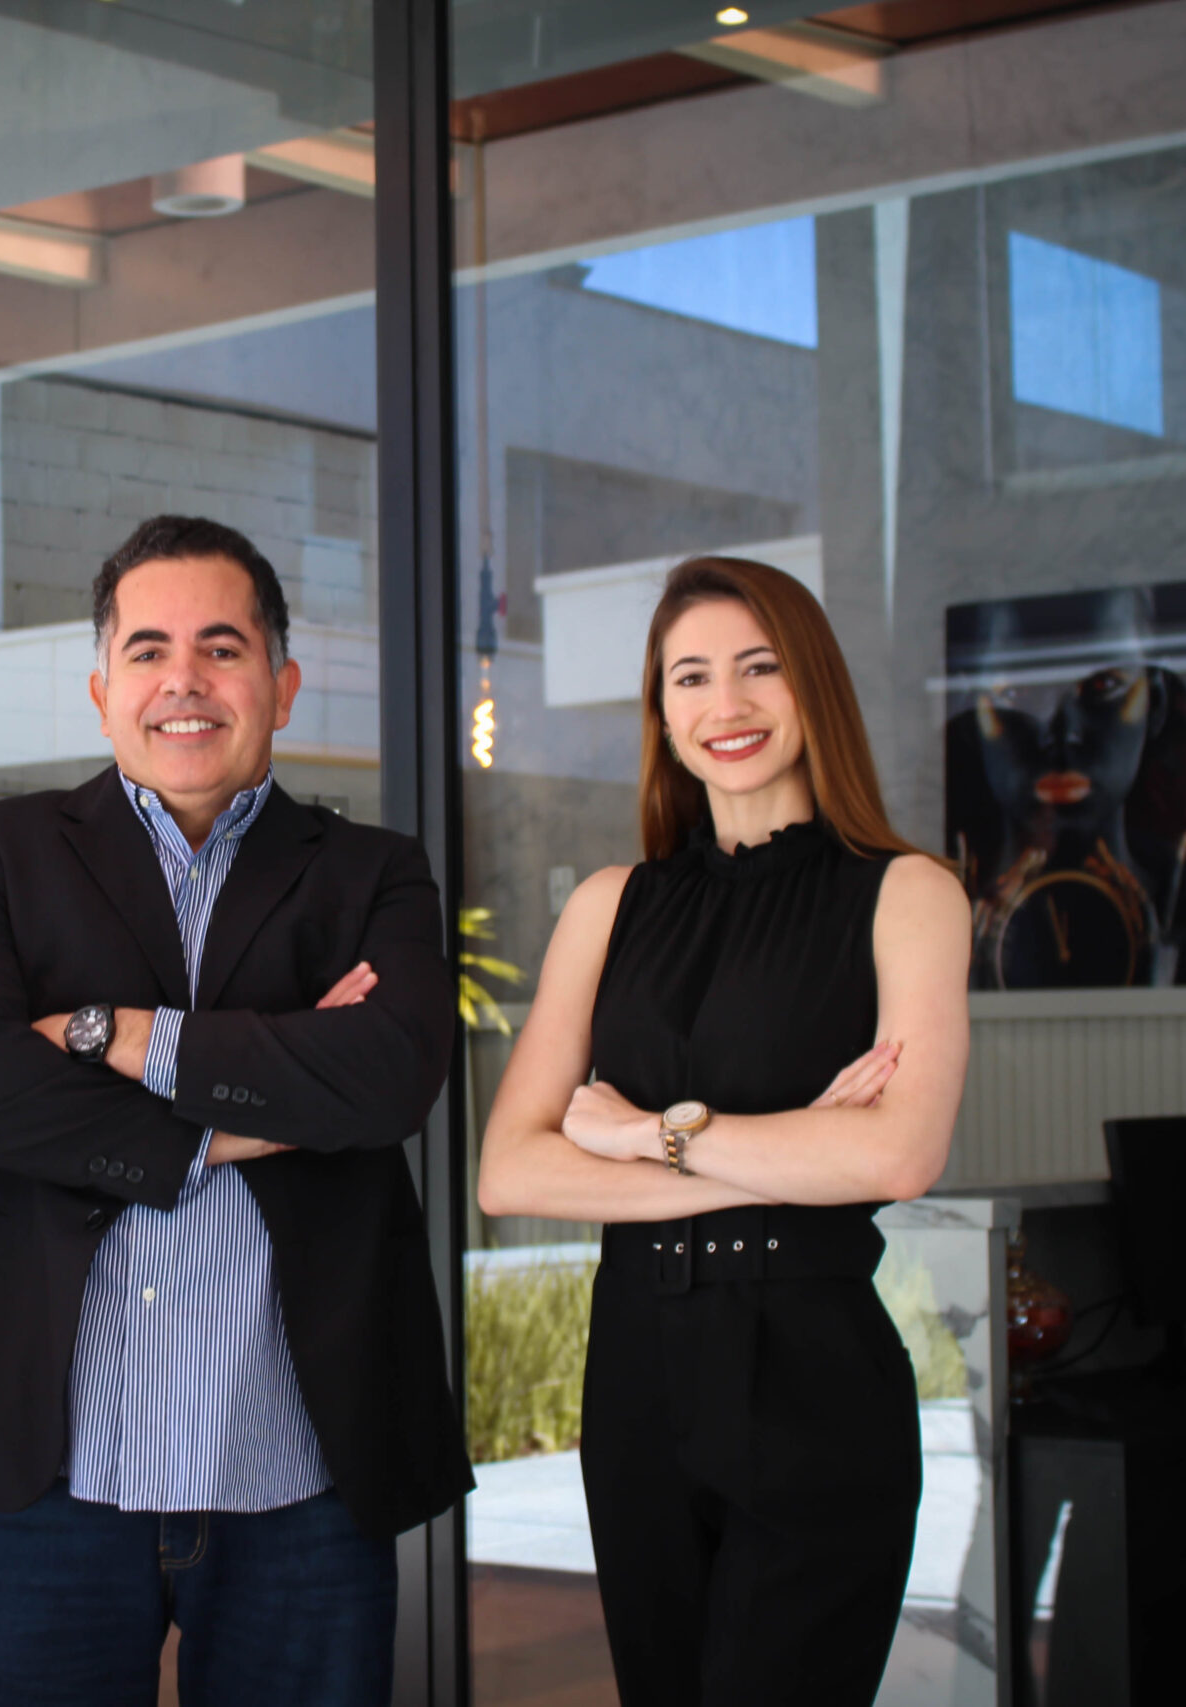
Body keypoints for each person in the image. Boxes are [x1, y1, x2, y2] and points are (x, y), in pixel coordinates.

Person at [0, 514, 471, 1705]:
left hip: (300, 1474)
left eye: (221, 648)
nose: (183, 680)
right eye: (148, 650)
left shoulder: (373, 873)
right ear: (102, 693)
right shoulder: (1, 851)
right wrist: (263, 1099)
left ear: (281, 685)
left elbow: (391, 1076)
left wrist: (109, 1034)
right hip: (47, 1475)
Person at [476, 555, 971, 1706]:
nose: (726, 704)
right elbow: (509, 1169)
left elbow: (897, 1154)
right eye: (689, 677)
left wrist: (639, 1134)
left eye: (759, 667)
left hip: (814, 1382)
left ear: (813, 686)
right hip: (635, 1381)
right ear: (661, 712)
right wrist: (786, 1153)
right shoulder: (610, 905)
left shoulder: (907, 893)